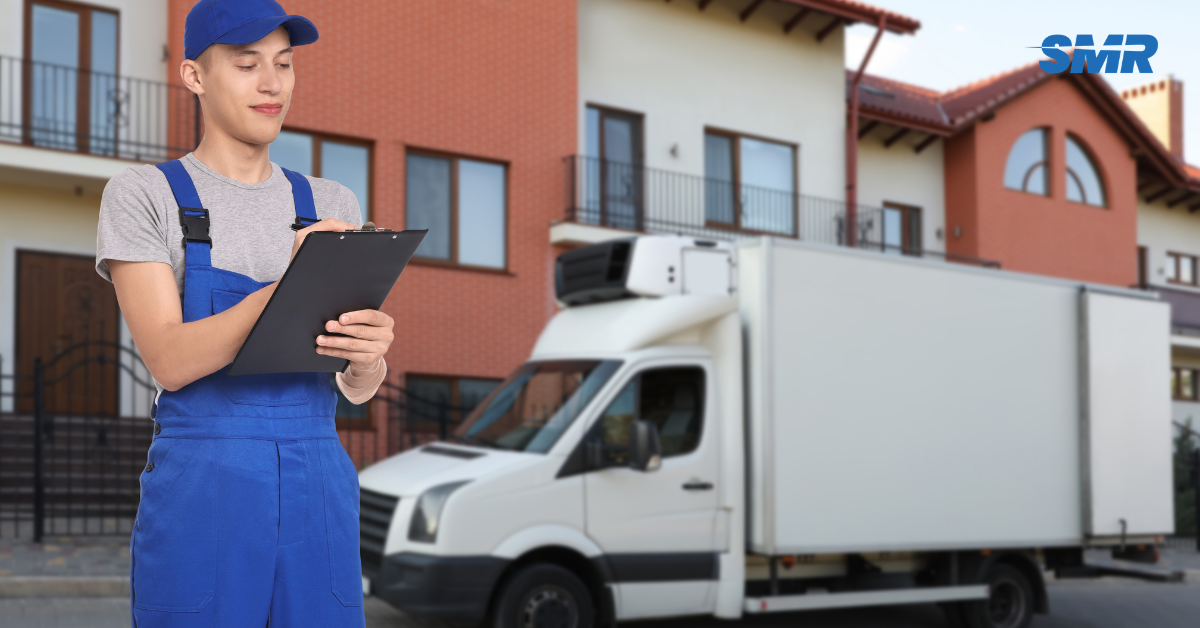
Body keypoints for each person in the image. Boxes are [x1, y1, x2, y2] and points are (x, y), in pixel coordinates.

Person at [95, 1, 385, 625]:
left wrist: (368, 358)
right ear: (195, 76)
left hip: (319, 484)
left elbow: (354, 389)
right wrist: (294, 284)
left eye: (283, 64)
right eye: (247, 63)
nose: (272, 83)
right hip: (206, 487)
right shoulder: (145, 195)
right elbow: (170, 360)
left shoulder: (332, 202)